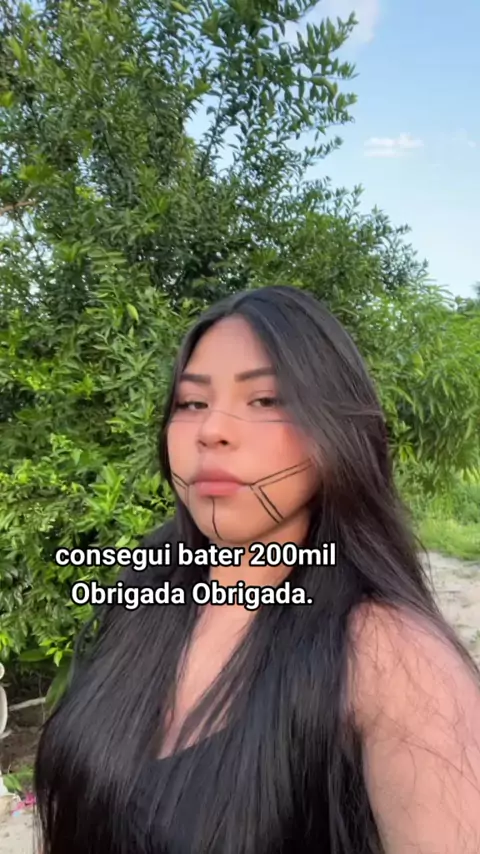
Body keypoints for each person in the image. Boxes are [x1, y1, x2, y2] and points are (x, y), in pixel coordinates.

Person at [34, 285, 480, 854]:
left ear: (335, 431)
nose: (210, 430)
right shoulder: (143, 589)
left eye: (266, 400)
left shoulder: (394, 659)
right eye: (191, 403)